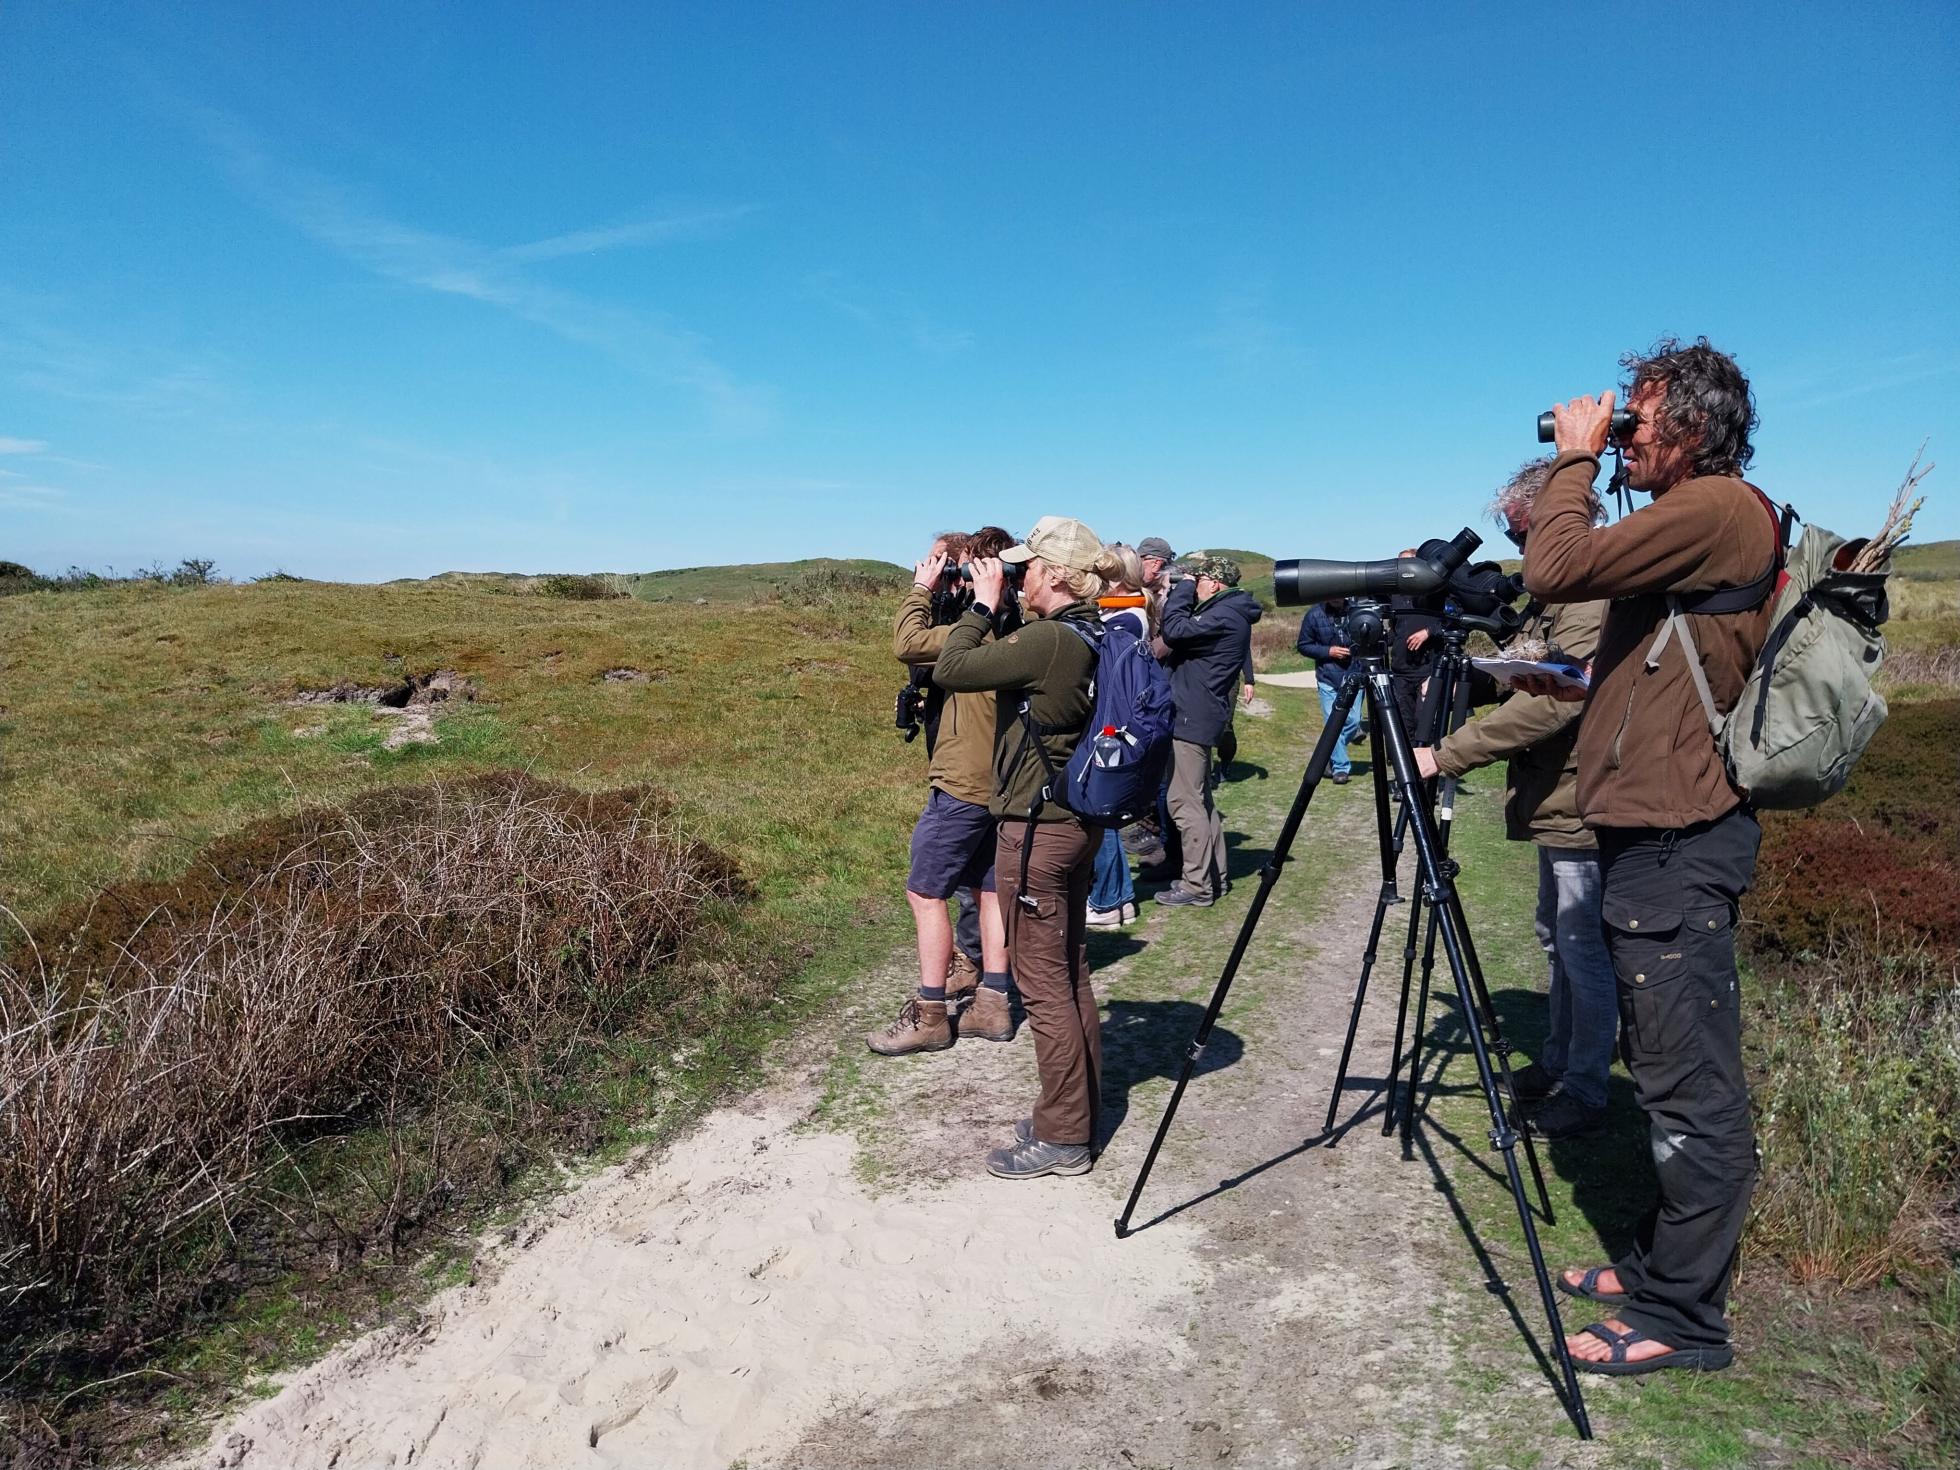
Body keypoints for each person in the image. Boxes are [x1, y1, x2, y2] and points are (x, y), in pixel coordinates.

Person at [1524, 337, 1778, 1376]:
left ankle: (1684, 1318)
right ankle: (1655, 1264)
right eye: (1620, 414)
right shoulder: (1693, 514)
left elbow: (1553, 564)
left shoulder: (1714, 507)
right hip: (1658, 834)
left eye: (1640, 414)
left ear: (1694, 426)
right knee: (1662, 1065)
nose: (1623, 428)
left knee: (1689, 1088)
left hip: (1681, 841)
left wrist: (1576, 458)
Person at [1413, 457, 1613, 1140]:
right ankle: (1559, 1061)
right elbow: (1534, 663)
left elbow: (1560, 698)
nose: (1521, 546)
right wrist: (1479, 664)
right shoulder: (1563, 591)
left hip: (1585, 795)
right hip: (1558, 793)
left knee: (1581, 948)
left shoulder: (1589, 591)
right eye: (1515, 533)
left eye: (1523, 530)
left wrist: (1447, 754)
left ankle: (1586, 1087)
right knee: (1557, 938)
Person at [935, 516, 1124, 1179]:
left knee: (1043, 987)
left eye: (1027, 569)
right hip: (1075, 822)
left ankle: (1064, 1136)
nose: (1018, 579)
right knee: (1069, 974)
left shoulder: (1048, 640)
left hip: (1037, 829)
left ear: (1054, 575)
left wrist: (983, 606)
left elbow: (953, 666)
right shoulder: (1093, 631)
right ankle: (1074, 1109)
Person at [869, 527, 1018, 1056]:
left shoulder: (973, 635)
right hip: (1003, 782)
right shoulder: (1021, 629)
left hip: (962, 783)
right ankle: (994, 1003)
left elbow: (907, 644)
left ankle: (931, 1013)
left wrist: (921, 588)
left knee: (925, 892)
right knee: (987, 889)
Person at [1154, 555, 1262, 907]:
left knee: (1184, 802)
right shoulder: (1231, 611)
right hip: (1201, 714)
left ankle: (1197, 885)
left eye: (1199, 580)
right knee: (1201, 801)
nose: (1195, 585)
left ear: (1213, 583)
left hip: (1192, 717)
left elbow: (1175, 630)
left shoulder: (1224, 614)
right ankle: (1215, 877)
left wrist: (1182, 589)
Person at [1087, 543, 1151, 928]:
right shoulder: (1125, 612)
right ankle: (1120, 897)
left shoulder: (1126, 619)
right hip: (1114, 723)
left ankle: (1108, 901)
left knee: (1100, 812)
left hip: (1112, 726)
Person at [1296, 597, 1363, 783]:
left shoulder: (1356, 611)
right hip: (1327, 677)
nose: (1335, 598)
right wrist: (1328, 651)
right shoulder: (1314, 614)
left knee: (1354, 720)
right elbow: (1303, 645)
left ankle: (1327, 754)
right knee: (1332, 723)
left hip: (1354, 673)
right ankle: (1340, 768)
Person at [1388, 549, 1443, 748]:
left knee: (1425, 723)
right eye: (1400, 564)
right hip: (1401, 669)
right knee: (1404, 724)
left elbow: (1451, 621)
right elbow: (1395, 629)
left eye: (1409, 563)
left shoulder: (1434, 591)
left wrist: (1428, 632)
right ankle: (1409, 765)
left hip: (1427, 669)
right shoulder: (1394, 595)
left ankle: (1428, 763)